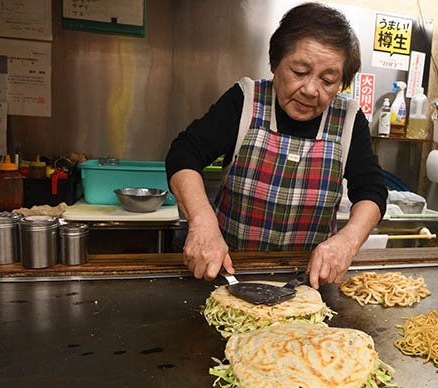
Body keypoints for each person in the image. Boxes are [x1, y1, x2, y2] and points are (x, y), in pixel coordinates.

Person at [165, 2, 388, 289]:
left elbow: (372, 189)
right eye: (299, 71)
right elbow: (185, 152)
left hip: (306, 285)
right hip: (226, 275)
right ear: (275, 63)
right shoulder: (245, 101)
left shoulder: (348, 120)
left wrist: (347, 242)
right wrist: (202, 223)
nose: (310, 90)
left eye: (328, 80)